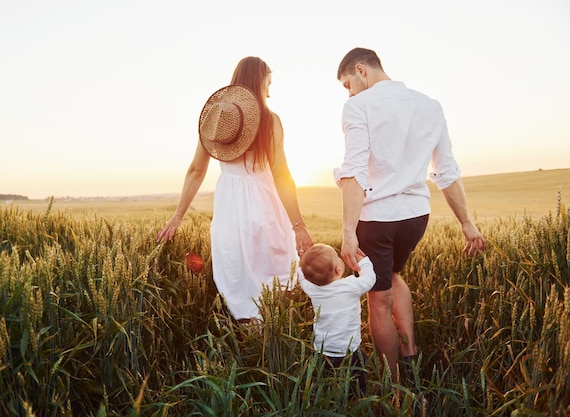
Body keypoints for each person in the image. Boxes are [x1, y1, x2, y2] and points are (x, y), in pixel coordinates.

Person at [333, 47, 486, 382]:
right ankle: (410, 354)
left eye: (347, 83)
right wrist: (467, 223)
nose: (348, 92)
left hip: (377, 219)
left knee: (379, 299)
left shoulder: (358, 106)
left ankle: (393, 385)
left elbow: (355, 171)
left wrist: (347, 231)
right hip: (416, 217)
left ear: (361, 70)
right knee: (396, 274)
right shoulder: (430, 106)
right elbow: (446, 171)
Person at [156, 56, 313, 324]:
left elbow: (196, 170)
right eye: (268, 83)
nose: (269, 91)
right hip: (266, 203)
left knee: (237, 274)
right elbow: (282, 175)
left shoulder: (216, 116)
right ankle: (276, 337)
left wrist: (178, 215)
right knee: (276, 270)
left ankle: (249, 334)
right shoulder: (270, 120)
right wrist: (298, 225)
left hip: (231, 207)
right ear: (259, 80)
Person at [298, 243, 376, 394]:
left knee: (324, 382)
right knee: (358, 380)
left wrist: (302, 259)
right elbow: (370, 279)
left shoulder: (313, 289)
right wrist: (363, 260)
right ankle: (358, 398)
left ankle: (328, 400)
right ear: (338, 269)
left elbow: (302, 277)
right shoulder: (350, 286)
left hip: (322, 351)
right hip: (350, 351)